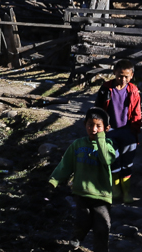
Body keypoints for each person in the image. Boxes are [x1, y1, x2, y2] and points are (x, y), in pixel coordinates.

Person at [49, 107, 118, 252]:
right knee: (82, 221)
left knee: (102, 226)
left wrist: (101, 138)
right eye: (90, 125)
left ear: (107, 128)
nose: (93, 129)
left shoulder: (109, 146)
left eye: (98, 126)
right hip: (81, 192)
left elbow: (107, 160)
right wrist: (55, 180)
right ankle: (75, 240)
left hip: (101, 195)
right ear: (84, 124)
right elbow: (66, 164)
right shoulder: (78, 144)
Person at [95, 59, 141, 202]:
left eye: (126, 76)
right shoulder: (105, 89)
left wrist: (135, 132)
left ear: (131, 75)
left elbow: (137, 112)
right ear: (114, 73)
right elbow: (98, 110)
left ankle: (126, 192)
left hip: (127, 131)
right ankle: (115, 189)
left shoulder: (133, 90)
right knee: (113, 159)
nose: (122, 79)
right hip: (110, 131)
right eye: (120, 75)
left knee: (127, 161)